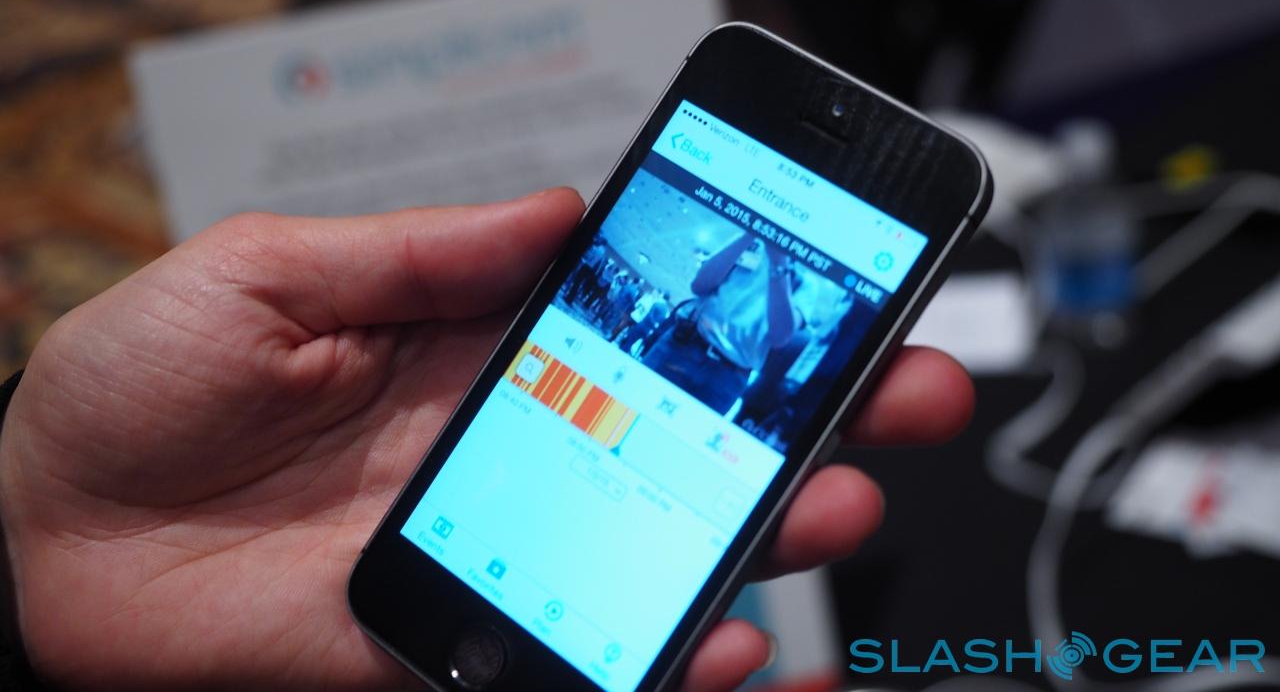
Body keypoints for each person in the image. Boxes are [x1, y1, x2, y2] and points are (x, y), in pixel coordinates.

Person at [0, 189, 974, 692]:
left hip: (704, 405)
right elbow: (711, 282)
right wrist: (754, 243)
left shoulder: (793, 326)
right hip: (659, 368)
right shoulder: (722, 288)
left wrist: (786, 272)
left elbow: (784, 343)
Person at [645, 233, 801, 415]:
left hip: (727, 376)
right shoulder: (751, 242)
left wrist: (778, 266)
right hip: (685, 345)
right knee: (634, 398)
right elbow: (699, 285)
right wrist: (751, 232)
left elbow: (780, 337)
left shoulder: (808, 276)